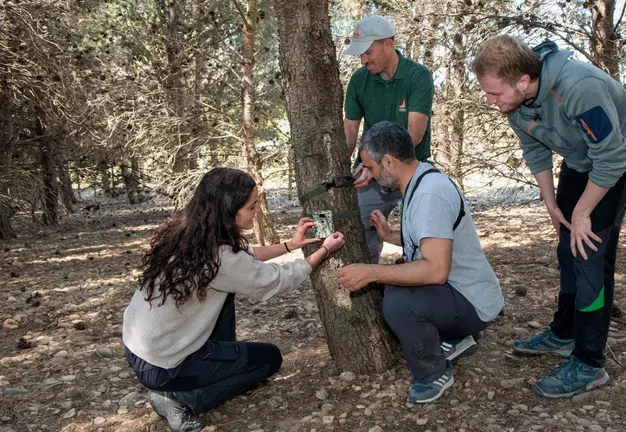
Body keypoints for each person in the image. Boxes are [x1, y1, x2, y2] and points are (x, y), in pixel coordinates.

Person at [471, 35, 626, 398]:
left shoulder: (579, 87)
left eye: (494, 93)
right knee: (567, 249)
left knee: (589, 254)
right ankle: (565, 332)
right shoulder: (516, 102)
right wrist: (551, 203)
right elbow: (533, 148)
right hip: (581, 159)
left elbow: (612, 157)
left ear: (522, 80)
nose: (490, 102)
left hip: (619, 156)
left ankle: (589, 362)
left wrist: (583, 211)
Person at [122, 168, 345, 432]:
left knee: (224, 296)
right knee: (269, 359)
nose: (257, 211)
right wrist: (323, 251)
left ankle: (209, 367)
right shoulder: (220, 258)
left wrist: (290, 245)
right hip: (166, 366)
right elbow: (273, 281)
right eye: (252, 206)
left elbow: (244, 255)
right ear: (230, 209)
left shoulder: (190, 233)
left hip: (139, 349)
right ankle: (180, 399)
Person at [336, 122, 504, 404]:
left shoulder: (429, 194)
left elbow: (435, 270)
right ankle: (458, 337)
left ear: (389, 161)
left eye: (372, 168)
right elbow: (434, 237)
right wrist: (390, 235)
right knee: (395, 282)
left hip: (472, 301)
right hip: (463, 294)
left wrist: (371, 272)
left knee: (399, 300)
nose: (370, 175)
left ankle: (432, 373)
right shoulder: (422, 179)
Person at [342, 14, 434, 264]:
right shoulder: (359, 80)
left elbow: (413, 136)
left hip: (410, 168)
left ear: (388, 45)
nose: (363, 60)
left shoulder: (417, 76)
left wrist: (377, 166)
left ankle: (418, 282)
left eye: (368, 52)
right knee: (361, 229)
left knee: (422, 230)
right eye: (361, 54)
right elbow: (349, 131)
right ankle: (369, 285)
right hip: (370, 172)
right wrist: (344, 168)